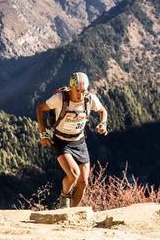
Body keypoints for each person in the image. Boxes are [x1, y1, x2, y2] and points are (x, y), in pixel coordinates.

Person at [35, 72, 108, 208]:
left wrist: (103, 123)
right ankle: (64, 197)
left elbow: (103, 110)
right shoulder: (59, 98)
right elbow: (40, 109)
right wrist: (43, 134)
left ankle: (72, 213)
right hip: (61, 142)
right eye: (77, 90)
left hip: (79, 141)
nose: (80, 94)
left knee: (84, 182)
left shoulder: (89, 99)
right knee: (74, 174)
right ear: (71, 87)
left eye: (83, 91)